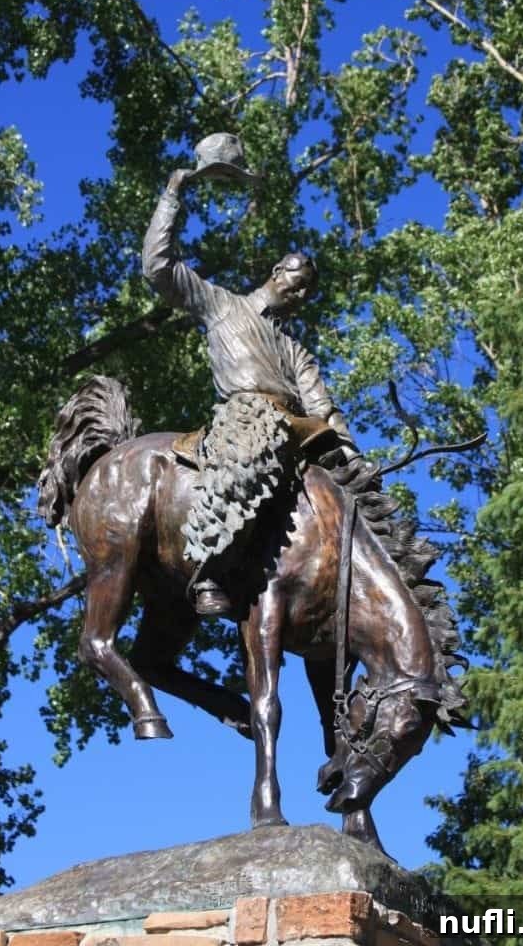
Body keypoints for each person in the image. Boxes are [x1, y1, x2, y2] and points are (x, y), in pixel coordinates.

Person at [142, 133, 360, 617]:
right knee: (251, 451)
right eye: (297, 283)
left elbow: (322, 407)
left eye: (308, 293)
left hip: (297, 428)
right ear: (278, 271)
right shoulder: (222, 305)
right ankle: (211, 568)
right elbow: (159, 268)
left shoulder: (295, 348)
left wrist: (351, 457)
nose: (300, 296)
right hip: (246, 417)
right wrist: (174, 194)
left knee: (348, 500)